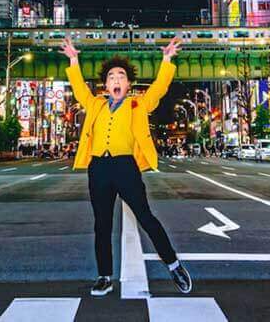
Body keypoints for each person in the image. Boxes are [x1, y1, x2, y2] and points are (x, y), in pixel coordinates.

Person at [61, 36, 191, 297]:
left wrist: (166, 60)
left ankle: (173, 265)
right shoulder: (95, 103)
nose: (116, 80)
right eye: (111, 77)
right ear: (106, 85)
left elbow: (158, 89)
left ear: (128, 83)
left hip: (125, 167)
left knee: (145, 217)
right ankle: (104, 276)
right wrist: (74, 60)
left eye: (121, 76)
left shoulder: (138, 105)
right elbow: (78, 89)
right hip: (98, 168)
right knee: (102, 224)